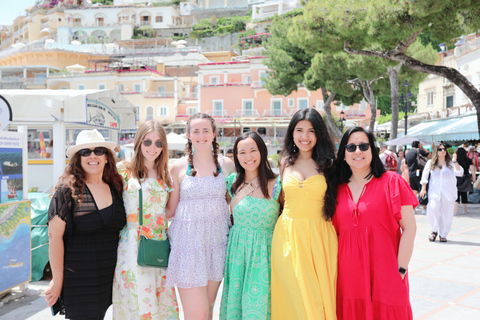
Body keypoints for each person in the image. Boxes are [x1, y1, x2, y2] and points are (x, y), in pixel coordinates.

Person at [333, 127, 417, 320]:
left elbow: (410, 228)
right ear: (343, 153)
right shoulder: (334, 188)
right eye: (351, 147)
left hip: (387, 276)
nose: (358, 151)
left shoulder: (392, 182)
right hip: (347, 281)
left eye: (364, 146)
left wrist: (401, 268)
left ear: (373, 150)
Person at [45, 129, 126, 319]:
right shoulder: (68, 190)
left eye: (98, 150)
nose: (92, 156)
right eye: (85, 152)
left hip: (109, 278)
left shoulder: (116, 186)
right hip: (80, 279)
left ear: (107, 157)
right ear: (78, 159)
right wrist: (57, 281)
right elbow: (54, 236)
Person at [166, 113, 235, 320]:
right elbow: (171, 209)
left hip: (217, 244)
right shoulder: (177, 167)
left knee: (209, 308)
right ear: (188, 135)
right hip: (188, 246)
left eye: (206, 130)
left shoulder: (227, 165)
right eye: (196, 131)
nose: (201, 135)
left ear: (214, 134)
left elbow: (230, 202)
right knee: (198, 314)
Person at [271, 108, 338, 319]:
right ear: (292, 133)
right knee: (291, 296)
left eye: (311, 131)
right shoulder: (284, 162)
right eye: (299, 130)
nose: (304, 136)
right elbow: (279, 199)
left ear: (319, 134)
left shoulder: (330, 164)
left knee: (317, 299)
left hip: (319, 236)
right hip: (287, 236)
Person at [112, 121, 179, 319]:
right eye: (147, 142)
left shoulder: (166, 174)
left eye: (159, 143)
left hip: (158, 243)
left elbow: (170, 210)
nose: (153, 148)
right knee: (134, 300)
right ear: (138, 142)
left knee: (160, 300)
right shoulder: (122, 170)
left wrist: (154, 222)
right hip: (131, 244)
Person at [220, 132, 282, 320]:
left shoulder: (277, 186)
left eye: (253, 150)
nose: (248, 157)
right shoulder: (231, 184)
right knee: (236, 308)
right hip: (238, 255)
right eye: (242, 152)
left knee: (262, 308)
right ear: (236, 157)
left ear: (262, 152)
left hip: (266, 256)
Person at [420, 144, 463, 242]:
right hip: (434, 192)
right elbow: (424, 176)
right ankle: (434, 230)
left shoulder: (451, 164)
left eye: (444, 149)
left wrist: (455, 161)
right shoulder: (431, 163)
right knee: (433, 209)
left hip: (448, 192)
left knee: (447, 214)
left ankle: (443, 234)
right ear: (436, 151)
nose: (443, 151)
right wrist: (423, 188)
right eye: (440, 149)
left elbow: (460, 172)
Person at [405, 141, 431, 213]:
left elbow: (406, 164)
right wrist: (422, 147)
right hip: (419, 173)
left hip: (411, 174)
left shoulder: (408, 153)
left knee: (413, 192)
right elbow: (430, 155)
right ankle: (424, 208)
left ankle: (413, 209)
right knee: (422, 190)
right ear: (418, 145)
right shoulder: (419, 150)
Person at [454, 147, 476, 215]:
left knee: (456, 194)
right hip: (466, 178)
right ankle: (464, 210)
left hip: (456, 178)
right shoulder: (468, 160)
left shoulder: (455, 160)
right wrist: (474, 178)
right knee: (464, 194)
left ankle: (456, 211)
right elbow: (472, 169)